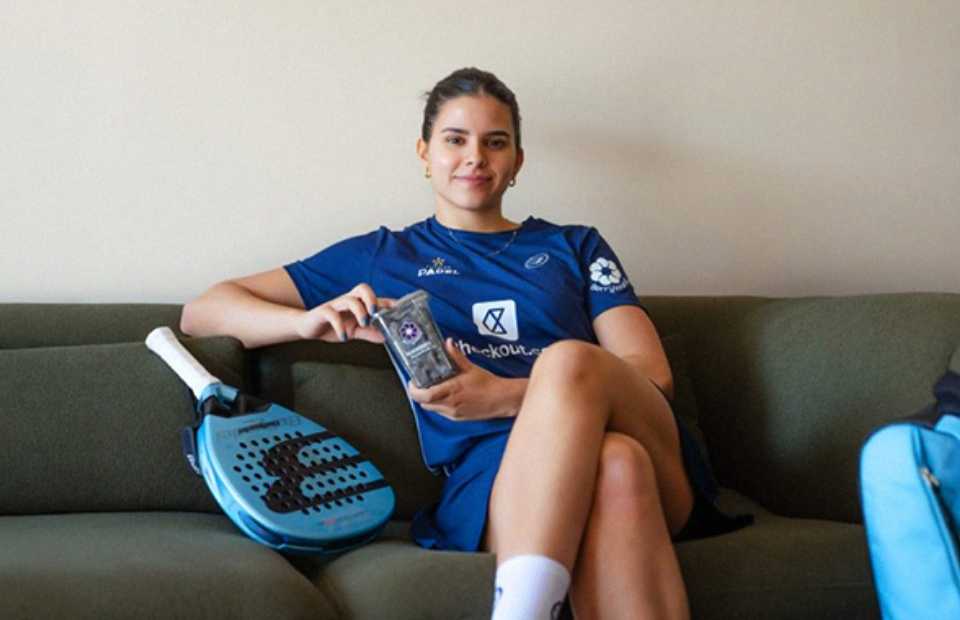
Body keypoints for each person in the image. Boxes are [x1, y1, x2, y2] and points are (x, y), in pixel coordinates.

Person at [181, 67, 749, 620]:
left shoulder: (576, 246)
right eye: (455, 139)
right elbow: (203, 312)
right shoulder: (383, 256)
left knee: (572, 364)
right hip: (500, 476)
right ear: (425, 153)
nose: (475, 156)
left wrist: (507, 395)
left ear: (517, 161)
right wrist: (306, 322)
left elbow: (651, 375)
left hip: (650, 448)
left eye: (495, 142)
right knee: (615, 463)